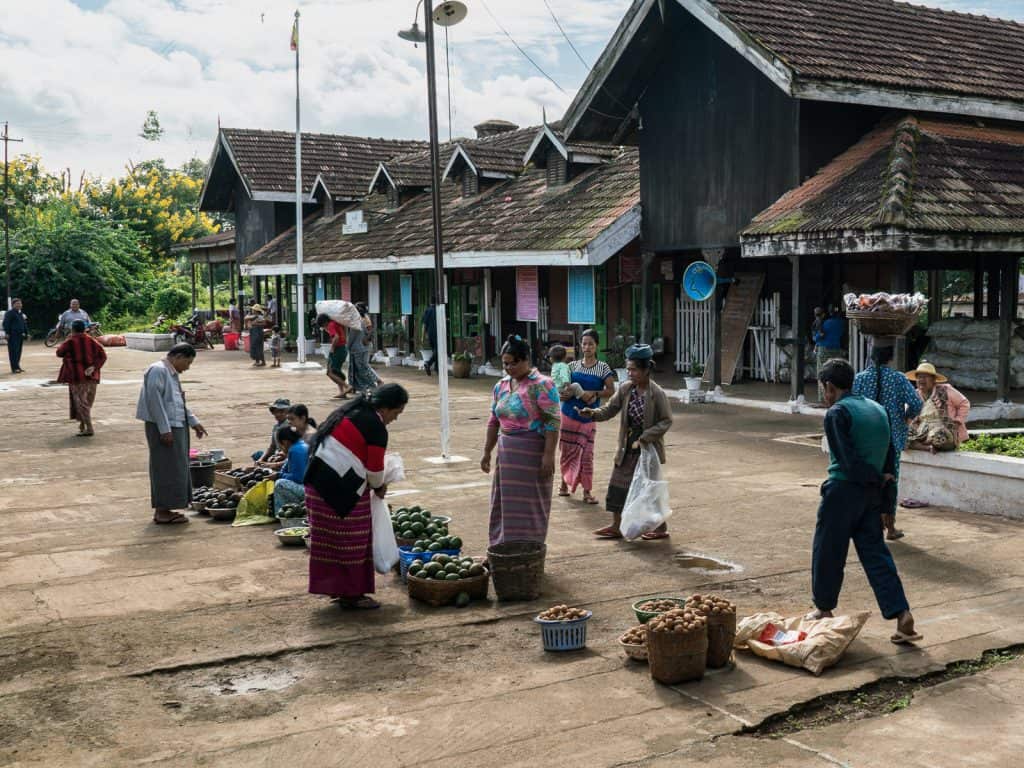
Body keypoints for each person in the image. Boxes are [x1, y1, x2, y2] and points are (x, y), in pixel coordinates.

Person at [810, 358, 921, 644]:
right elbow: (888, 461)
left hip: (843, 491)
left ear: (830, 387)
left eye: (824, 389)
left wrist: (873, 479)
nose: (825, 395)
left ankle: (823, 608)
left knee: (828, 550)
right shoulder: (878, 410)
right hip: (871, 497)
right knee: (876, 555)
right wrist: (885, 500)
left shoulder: (837, 413)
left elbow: (847, 461)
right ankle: (901, 613)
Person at [305, 383, 409, 609]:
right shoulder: (376, 426)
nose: (395, 418)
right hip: (338, 491)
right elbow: (374, 471)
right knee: (353, 541)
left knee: (330, 543)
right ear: (386, 408)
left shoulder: (352, 411)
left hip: (317, 485)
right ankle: (352, 595)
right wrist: (380, 486)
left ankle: (338, 589)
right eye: (396, 413)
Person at [579, 344, 673, 540]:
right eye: (628, 369)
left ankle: (660, 528)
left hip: (647, 448)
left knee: (648, 488)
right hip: (626, 447)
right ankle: (616, 525)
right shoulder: (626, 389)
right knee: (618, 485)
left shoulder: (657, 394)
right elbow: (610, 409)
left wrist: (645, 437)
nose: (630, 373)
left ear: (646, 370)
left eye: (634, 369)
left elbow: (666, 420)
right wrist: (593, 414)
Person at [480, 335, 560, 546]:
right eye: (505, 363)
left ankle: (529, 546)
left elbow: (553, 421)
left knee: (530, 504)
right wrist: (487, 452)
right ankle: (501, 545)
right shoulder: (501, 385)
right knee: (504, 503)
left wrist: (549, 455)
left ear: (526, 360)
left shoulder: (542, 384)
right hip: (507, 456)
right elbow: (493, 420)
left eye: (513, 363)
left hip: (532, 455)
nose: (508, 368)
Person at [852, 344, 923, 540]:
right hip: (892, 437)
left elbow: (851, 405)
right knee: (890, 482)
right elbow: (917, 403)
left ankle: (867, 525)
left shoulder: (859, 379)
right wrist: (905, 418)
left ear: (870, 357)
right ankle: (890, 528)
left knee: (869, 480)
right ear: (890, 359)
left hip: (866, 438)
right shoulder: (898, 378)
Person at [136, 343, 207, 525]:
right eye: (188, 363)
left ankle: (169, 506)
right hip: (164, 426)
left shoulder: (171, 373)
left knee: (176, 466)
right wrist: (164, 429)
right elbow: (154, 402)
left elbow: (178, 401)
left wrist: (193, 422)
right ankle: (162, 510)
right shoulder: (158, 370)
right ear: (178, 357)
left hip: (175, 424)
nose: (187, 367)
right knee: (165, 467)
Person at [558, 330, 617, 504]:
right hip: (568, 414)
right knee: (566, 451)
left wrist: (595, 393)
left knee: (587, 454)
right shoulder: (572, 366)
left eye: (590, 343)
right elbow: (562, 388)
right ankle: (563, 484)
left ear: (596, 345)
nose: (587, 347)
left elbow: (611, 391)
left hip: (589, 416)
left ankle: (587, 491)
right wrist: (563, 394)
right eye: (584, 343)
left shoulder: (603, 368)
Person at [56, 319, 107, 437]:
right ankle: (83, 424)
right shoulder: (92, 341)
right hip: (92, 376)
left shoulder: (70, 341)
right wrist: (94, 367)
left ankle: (89, 427)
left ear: (72, 329)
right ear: (85, 329)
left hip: (77, 376)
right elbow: (103, 356)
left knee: (81, 402)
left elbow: (59, 353)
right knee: (87, 402)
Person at [906, 362, 971, 453]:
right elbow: (908, 416)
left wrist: (958, 420)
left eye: (925, 377)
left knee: (939, 438)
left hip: (944, 431)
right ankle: (927, 447)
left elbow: (964, 403)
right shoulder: (915, 395)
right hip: (923, 432)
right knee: (903, 437)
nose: (921, 380)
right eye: (919, 377)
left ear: (933, 380)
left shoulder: (945, 390)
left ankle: (931, 444)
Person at [272, 424, 310, 512]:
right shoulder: (300, 445)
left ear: (285, 442)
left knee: (280, 484)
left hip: (308, 490)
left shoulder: (295, 450)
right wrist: (279, 473)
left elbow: (299, 478)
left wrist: (278, 475)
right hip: (311, 487)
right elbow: (286, 468)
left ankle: (282, 513)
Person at [813, 307, 844, 402]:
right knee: (834, 374)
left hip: (824, 350)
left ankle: (822, 399)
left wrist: (816, 338)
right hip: (836, 350)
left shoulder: (825, 323)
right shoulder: (841, 323)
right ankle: (835, 397)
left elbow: (817, 337)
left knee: (821, 374)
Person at [318, 313, 351, 399]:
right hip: (343, 349)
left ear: (324, 322)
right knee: (336, 371)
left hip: (338, 349)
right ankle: (342, 392)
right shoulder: (335, 323)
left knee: (330, 372)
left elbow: (336, 337)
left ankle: (347, 386)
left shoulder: (331, 325)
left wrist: (332, 348)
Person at [253, 398, 291, 463]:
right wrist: (261, 459)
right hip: (277, 454)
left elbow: (289, 450)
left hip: (286, 456)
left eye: (281, 411)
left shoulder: (289, 426)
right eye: (276, 412)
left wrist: (277, 458)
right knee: (258, 455)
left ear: (287, 412)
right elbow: (272, 446)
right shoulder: (276, 427)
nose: (278, 414)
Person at [3, 298, 28, 374]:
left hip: (20, 335)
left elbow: (24, 324)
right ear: (13, 305)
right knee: (13, 352)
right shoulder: (9, 313)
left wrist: (26, 332)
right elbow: (5, 323)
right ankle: (14, 368)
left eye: (20, 303)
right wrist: (7, 333)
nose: (19, 305)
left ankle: (17, 366)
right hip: (12, 335)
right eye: (17, 303)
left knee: (18, 352)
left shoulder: (20, 313)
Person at [422, 298, 438, 376]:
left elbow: (424, 325)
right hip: (438, 333)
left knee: (434, 350)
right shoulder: (438, 309)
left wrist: (423, 336)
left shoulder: (427, 310)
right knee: (437, 351)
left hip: (430, 334)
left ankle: (437, 368)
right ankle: (429, 363)